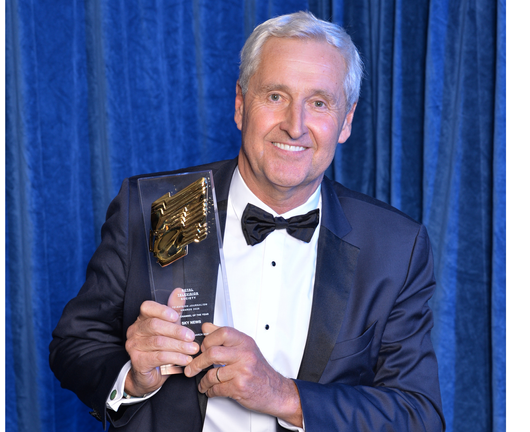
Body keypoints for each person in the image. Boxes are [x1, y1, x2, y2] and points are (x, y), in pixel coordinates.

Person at [50, 11, 444, 432]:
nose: (295, 126)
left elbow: (417, 415)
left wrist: (282, 395)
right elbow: (74, 344)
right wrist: (133, 377)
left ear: (346, 121)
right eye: (275, 96)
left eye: (319, 103)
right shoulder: (155, 207)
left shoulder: (395, 247)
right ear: (241, 105)